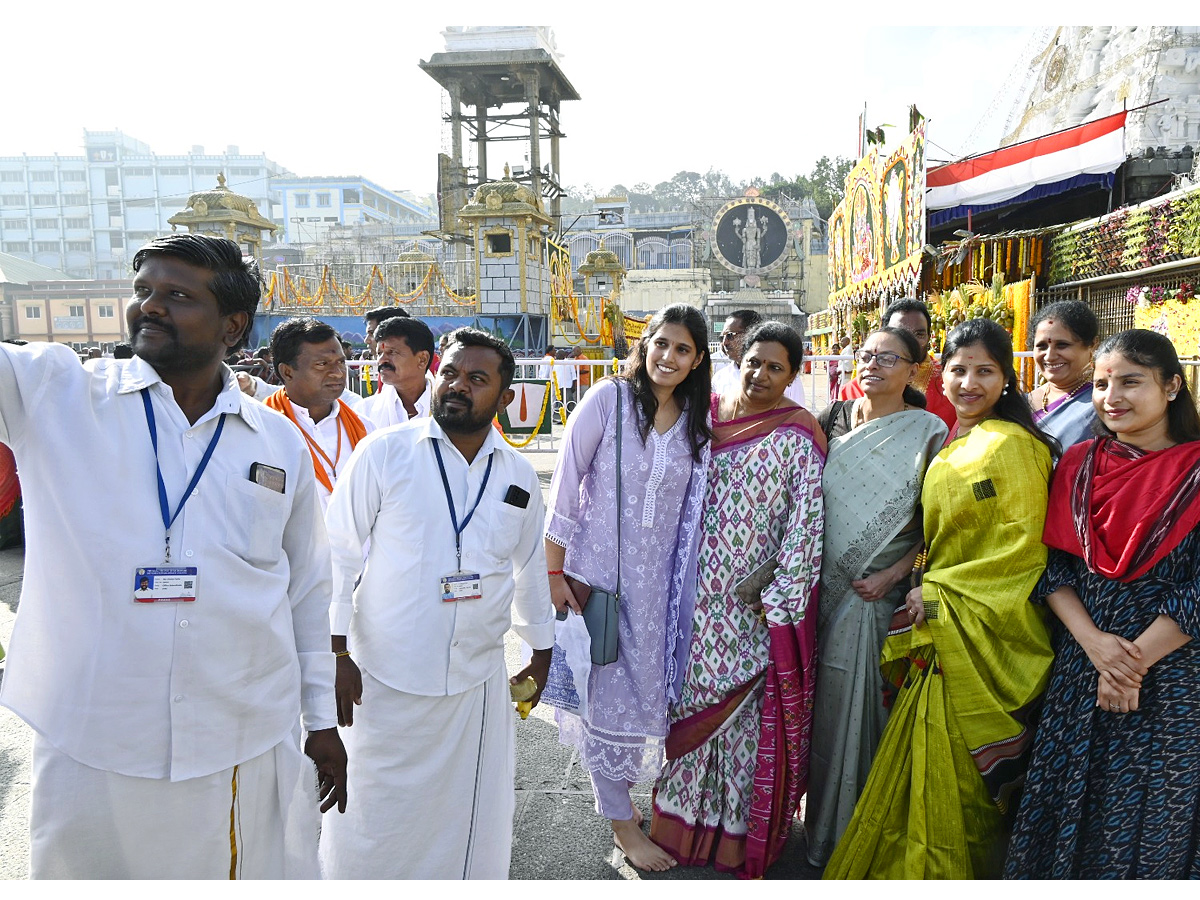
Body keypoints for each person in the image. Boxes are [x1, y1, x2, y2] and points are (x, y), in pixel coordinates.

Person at [0, 233, 346, 878]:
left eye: (178, 296)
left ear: (233, 326)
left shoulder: (275, 440)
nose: (150, 307)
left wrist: (320, 720)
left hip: (243, 735)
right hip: (95, 737)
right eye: (143, 292)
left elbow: (305, 592)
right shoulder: (58, 393)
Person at [826, 317, 1058, 879]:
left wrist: (933, 591)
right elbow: (937, 538)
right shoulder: (957, 440)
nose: (969, 383)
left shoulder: (1012, 446)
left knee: (958, 770)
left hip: (977, 631)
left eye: (985, 371)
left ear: (1007, 378)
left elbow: (1019, 552)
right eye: (959, 370)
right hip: (935, 623)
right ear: (940, 375)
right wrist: (922, 581)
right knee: (924, 761)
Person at [320, 327, 555, 879]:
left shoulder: (518, 475)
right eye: (449, 373)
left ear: (504, 397)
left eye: (477, 379)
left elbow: (527, 572)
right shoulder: (384, 454)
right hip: (380, 683)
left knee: (469, 827)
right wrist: (334, 652)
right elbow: (335, 558)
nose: (457, 386)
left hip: (474, 687)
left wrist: (541, 652)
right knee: (372, 825)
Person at [1005, 329, 1200, 879]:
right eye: (1100, 383)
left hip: (1171, 680)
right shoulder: (1081, 463)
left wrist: (1131, 663)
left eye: (1130, 382)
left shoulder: (1196, 470)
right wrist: (1096, 648)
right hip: (1082, 669)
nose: (1111, 395)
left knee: (1151, 814)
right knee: (1067, 804)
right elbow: (1053, 569)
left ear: (1171, 388)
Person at [650, 321, 825, 877]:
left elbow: (807, 523)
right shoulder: (704, 416)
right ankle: (682, 825)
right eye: (754, 361)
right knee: (691, 704)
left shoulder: (799, 435)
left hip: (754, 605)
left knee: (744, 720)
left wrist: (781, 593)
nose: (761, 374)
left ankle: (732, 834)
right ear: (735, 358)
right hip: (695, 597)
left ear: (793, 376)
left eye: (777, 367)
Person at [545, 304, 712, 871]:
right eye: (661, 343)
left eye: (682, 349)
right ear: (645, 346)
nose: (668, 357)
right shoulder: (608, 400)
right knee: (606, 697)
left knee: (651, 696)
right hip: (601, 582)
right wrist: (554, 572)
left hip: (663, 587)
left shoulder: (696, 418)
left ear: (697, 360)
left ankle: (635, 807)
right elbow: (566, 488)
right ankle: (620, 822)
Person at [805, 327, 948, 867]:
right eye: (866, 355)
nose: (873, 366)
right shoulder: (832, 423)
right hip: (819, 592)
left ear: (915, 370)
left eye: (889, 358)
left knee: (861, 709)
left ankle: (857, 834)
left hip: (872, 598)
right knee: (822, 709)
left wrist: (895, 574)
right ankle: (819, 824)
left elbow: (936, 524)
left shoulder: (929, 431)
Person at [264, 317, 374, 510]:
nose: (338, 373)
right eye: (322, 364)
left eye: (340, 362)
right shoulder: (263, 431)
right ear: (287, 372)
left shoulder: (365, 428)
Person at [839, 298, 955, 428]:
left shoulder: (950, 384)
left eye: (919, 334)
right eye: (901, 334)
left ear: (928, 337)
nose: (910, 342)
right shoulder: (853, 389)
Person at [1025, 300, 1101, 449]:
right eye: (1042, 346)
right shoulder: (1023, 402)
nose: (1049, 356)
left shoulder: (1102, 403)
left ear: (1092, 345)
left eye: (1062, 345)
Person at [713, 310, 806, 408]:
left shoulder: (784, 377)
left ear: (750, 334)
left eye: (730, 335)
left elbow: (797, 413)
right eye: (721, 338)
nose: (725, 343)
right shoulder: (720, 377)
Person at [357, 315, 436, 429]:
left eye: (392, 352)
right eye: (379, 353)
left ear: (422, 359)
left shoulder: (448, 409)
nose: (381, 360)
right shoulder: (364, 412)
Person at [830, 335, 852, 401]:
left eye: (842, 341)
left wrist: (839, 369)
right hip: (841, 374)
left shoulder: (848, 349)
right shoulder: (846, 349)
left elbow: (847, 362)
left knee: (844, 389)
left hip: (845, 372)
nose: (841, 342)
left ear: (847, 342)